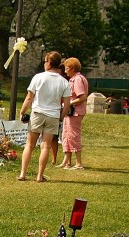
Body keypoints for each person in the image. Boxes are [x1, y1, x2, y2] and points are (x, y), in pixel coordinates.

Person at [17, 51, 70, 183]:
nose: (44, 63)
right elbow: (67, 104)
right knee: (46, 146)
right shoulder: (64, 82)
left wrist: (22, 111)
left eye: (46, 61)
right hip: (53, 115)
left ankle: (23, 173)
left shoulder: (38, 77)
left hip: (38, 113)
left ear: (49, 63)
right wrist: (61, 117)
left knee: (29, 144)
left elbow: (29, 97)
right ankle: (39, 176)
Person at [59, 57, 89, 170]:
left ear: (72, 68)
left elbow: (82, 97)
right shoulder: (73, 79)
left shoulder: (77, 80)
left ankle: (78, 163)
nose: (65, 71)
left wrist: (70, 103)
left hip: (75, 112)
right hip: (70, 112)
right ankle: (66, 162)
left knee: (73, 135)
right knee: (66, 134)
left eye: (66, 68)